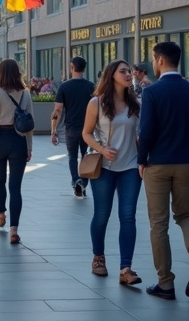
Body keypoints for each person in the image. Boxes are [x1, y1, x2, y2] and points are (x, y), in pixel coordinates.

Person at [137, 41, 189, 301]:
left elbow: (145, 131)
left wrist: (140, 159)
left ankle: (165, 283)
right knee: (185, 214)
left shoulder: (152, 92)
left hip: (157, 164)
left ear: (159, 60)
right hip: (186, 163)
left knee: (159, 224)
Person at [82, 60, 143, 286]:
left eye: (130, 71)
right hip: (104, 168)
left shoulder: (135, 102)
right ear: (112, 75)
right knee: (102, 215)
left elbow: (140, 133)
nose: (129, 74)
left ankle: (125, 268)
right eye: (123, 71)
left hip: (130, 167)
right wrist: (101, 149)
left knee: (128, 216)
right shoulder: (96, 103)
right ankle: (98, 257)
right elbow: (86, 134)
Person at [0, 59, 32, 245]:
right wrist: (29, 147)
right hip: (19, 140)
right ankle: (14, 230)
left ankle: (1, 214)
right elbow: (29, 125)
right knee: (16, 187)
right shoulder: (25, 95)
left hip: (0, 140)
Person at [52, 56, 95, 198]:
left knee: (72, 156)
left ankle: (75, 180)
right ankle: (83, 182)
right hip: (88, 129)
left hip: (71, 127)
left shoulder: (64, 87)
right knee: (86, 157)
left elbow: (58, 110)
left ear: (72, 68)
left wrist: (53, 130)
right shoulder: (91, 86)